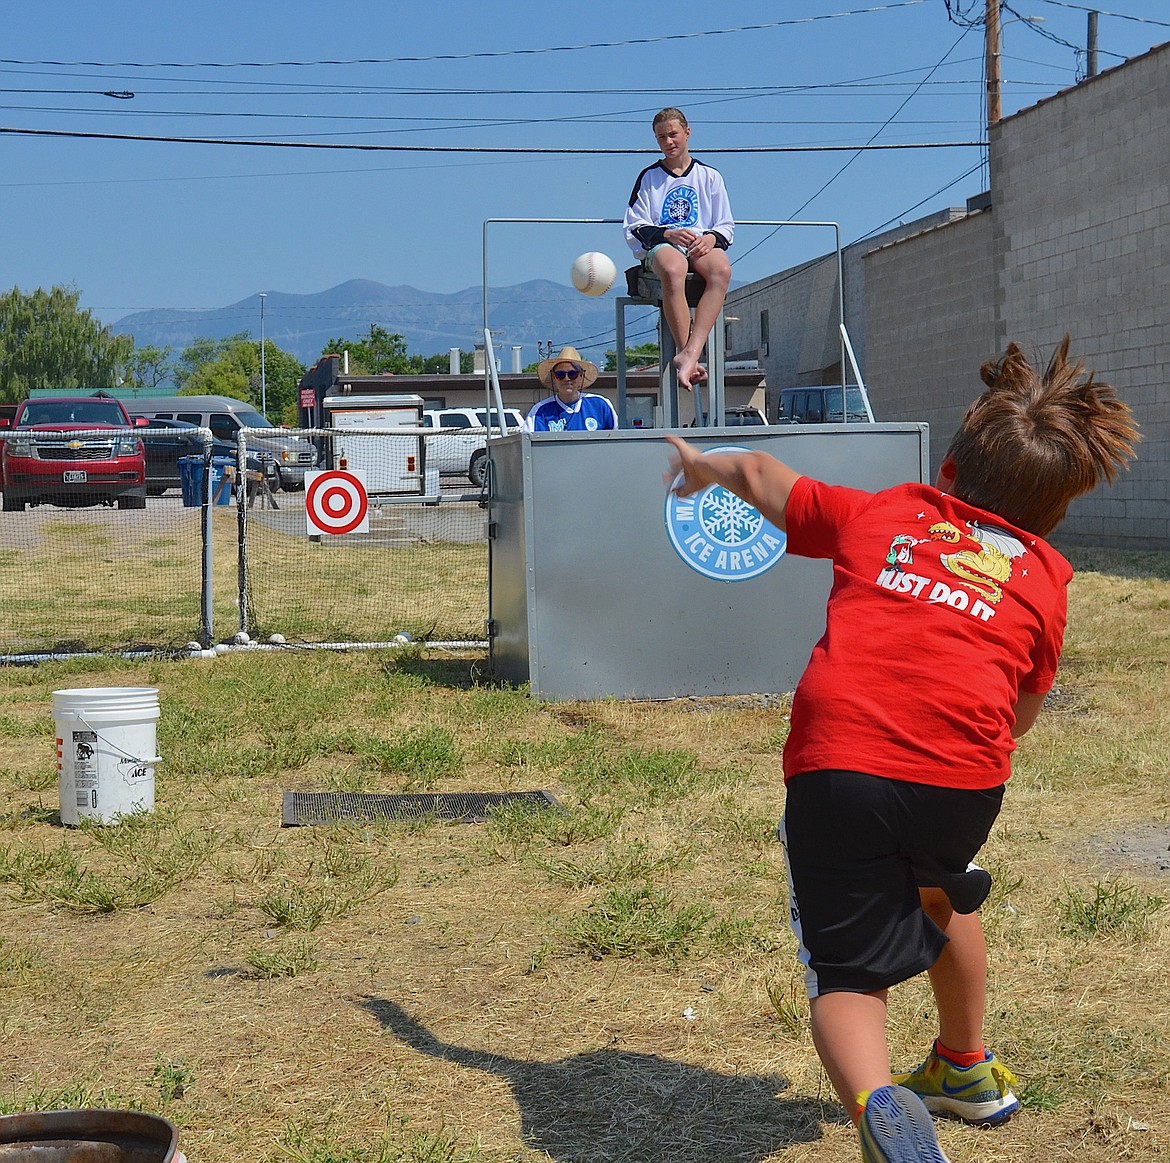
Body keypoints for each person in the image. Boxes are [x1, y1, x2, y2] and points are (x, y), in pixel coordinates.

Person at [664, 336, 1139, 1163]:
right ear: (1057, 511)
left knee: (847, 974)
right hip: (962, 784)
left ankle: (882, 1107)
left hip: (840, 767)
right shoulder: (1045, 575)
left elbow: (769, 482)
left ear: (948, 470)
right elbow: (1023, 714)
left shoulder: (884, 512)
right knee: (939, 893)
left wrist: (709, 463)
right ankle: (963, 1067)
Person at [624, 107, 734, 392]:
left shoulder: (710, 176)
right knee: (674, 269)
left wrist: (710, 238)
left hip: (699, 243)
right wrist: (667, 233)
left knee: (721, 270)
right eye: (661, 138)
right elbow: (634, 225)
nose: (668, 142)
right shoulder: (649, 177)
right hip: (663, 245)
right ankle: (686, 352)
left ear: (687, 132)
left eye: (673, 134)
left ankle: (691, 352)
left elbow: (725, 225)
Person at [524, 346, 618, 433]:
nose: (566, 379)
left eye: (572, 374)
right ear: (553, 377)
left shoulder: (600, 405)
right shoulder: (539, 412)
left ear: (581, 376)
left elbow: (615, 442)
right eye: (560, 374)